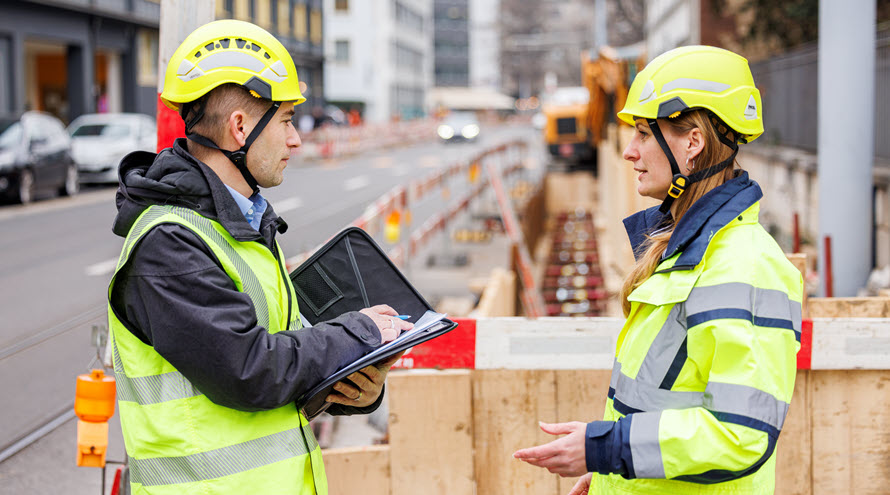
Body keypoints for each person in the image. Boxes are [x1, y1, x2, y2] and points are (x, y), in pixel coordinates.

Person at [108, 20, 412, 494]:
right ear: (240, 127)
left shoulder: (240, 225)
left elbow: (283, 365)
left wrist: (353, 391)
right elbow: (248, 371)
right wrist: (359, 333)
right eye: (287, 120)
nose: (296, 140)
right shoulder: (169, 244)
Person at [513, 45, 803, 494]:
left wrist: (604, 449)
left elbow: (740, 435)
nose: (629, 152)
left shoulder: (743, 266)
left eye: (645, 135)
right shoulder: (687, 254)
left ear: (693, 143)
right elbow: (664, 406)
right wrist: (612, 471)